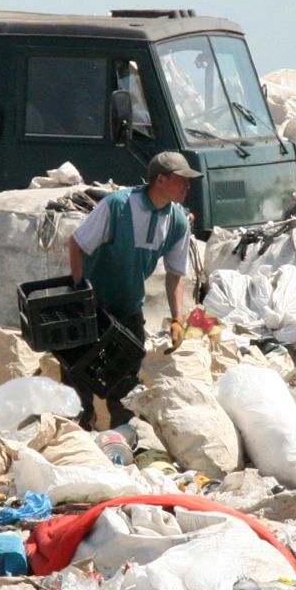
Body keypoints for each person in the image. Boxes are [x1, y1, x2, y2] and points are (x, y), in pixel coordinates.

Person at [65, 151, 200, 425]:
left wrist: (178, 318)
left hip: (128, 305)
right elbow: (77, 244)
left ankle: (122, 434)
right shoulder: (118, 206)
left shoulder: (177, 221)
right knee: (78, 376)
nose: (188, 186)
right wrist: (80, 293)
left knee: (126, 376)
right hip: (93, 304)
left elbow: (176, 274)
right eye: (182, 180)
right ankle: (74, 433)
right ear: (160, 180)